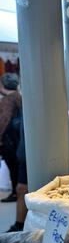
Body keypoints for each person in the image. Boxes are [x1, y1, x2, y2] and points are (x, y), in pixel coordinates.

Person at [0, 73, 21, 203]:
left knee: (13, 167)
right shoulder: (19, 97)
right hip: (18, 139)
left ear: (2, 85)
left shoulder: (7, 100)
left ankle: (15, 193)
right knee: (17, 167)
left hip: (9, 140)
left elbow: (4, 120)